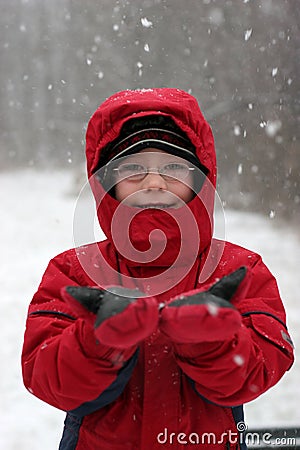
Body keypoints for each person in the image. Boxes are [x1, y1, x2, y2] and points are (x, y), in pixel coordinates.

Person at [22, 88, 294, 450]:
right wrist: (98, 340)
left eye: (173, 167)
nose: (154, 182)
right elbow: (44, 377)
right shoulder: (72, 271)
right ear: (107, 183)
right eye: (133, 169)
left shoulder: (240, 269)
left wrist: (212, 340)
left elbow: (260, 370)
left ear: (200, 178)